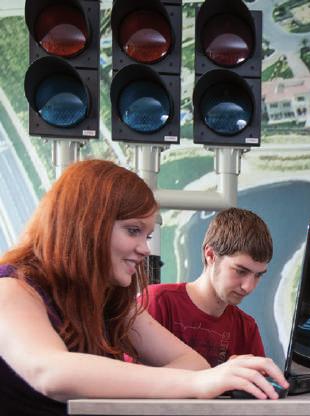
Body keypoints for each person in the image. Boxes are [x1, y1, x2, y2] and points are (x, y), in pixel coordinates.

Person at [0, 160, 288, 416]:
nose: (144, 248)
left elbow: (194, 363)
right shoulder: (11, 288)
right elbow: (50, 373)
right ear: (87, 224)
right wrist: (197, 383)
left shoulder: (113, 304)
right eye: (133, 230)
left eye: (148, 234)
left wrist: (200, 379)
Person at [145, 208, 271, 367]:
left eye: (258, 275)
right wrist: (221, 374)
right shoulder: (157, 302)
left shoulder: (247, 328)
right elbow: (132, 384)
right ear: (210, 255)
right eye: (240, 271)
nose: (248, 287)